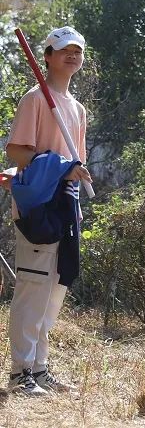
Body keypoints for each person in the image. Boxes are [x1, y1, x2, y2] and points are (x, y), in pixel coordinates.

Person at [6, 26, 92, 396]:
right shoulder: (35, 99)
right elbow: (18, 152)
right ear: (48, 56)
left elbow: (80, 163)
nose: (72, 56)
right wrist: (60, 167)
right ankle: (20, 371)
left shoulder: (77, 108)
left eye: (78, 51)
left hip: (66, 205)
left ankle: (40, 369)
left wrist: (74, 194)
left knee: (56, 286)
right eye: (64, 50)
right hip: (38, 204)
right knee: (33, 286)